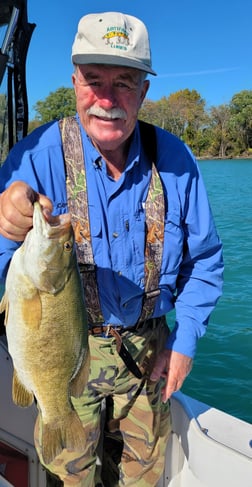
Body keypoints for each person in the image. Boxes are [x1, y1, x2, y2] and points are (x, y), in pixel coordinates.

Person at [0, 11, 223, 487]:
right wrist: (5, 225)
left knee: (143, 477)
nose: (106, 98)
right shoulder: (34, 158)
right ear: (74, 80)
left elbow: (205, 263)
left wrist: (184, 343)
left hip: (150, 356)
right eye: (93, 79)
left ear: (144, 91)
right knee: (69, 477)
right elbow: (6, 268)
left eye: (124, 82)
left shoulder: (176, 161)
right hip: (65, 354)